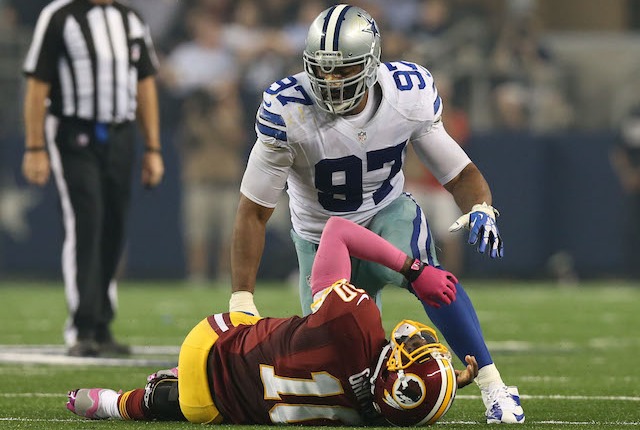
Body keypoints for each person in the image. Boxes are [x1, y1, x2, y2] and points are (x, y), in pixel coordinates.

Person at [229, 4, 524, 424]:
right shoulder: (287, 110)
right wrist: (242, 298)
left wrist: (481, 207)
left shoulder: (406, 94)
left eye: (343, 69)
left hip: (387, 218)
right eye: (322, 69)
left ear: (371, 64)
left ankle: (495, 386)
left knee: (435, 283)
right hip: (320, 241)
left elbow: (460, 173)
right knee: (338, 373)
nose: (330, 81)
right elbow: (253, 212)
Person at [66, 216, 479, 425]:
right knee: (201, 399)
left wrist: (411, 268)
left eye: (412, 355)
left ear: (394, 374)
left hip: (209, 343)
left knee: (251, 321)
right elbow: (400, 401)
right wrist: (441, 384)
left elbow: (337, 231)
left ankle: (168, 377)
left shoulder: (356, 320)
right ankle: (118, 404)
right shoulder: (374, 415)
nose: (412, 345)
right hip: (208, 407)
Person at [21, 0, 164, 357]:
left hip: (121, 133)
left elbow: (145, 84)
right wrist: (34, 146)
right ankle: (82, 325)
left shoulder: (130, 20)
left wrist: (152, 148)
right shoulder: (59, 15)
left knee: (114, 224)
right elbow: (38, 85)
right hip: (73, 131)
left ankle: (101, 323)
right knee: (86, 219)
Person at [610, 104, 640, 279]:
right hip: (634, 185)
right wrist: (628, 175)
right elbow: (618, 150)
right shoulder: (633, 116)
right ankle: (634, 273)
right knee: (633, 228)